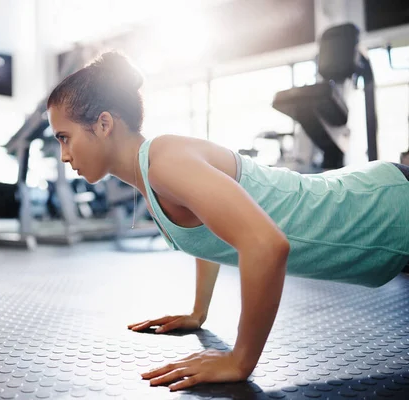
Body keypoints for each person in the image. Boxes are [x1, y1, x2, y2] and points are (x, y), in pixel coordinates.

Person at [45, 50, 409, 392]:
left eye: (65, 137)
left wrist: (240, 360)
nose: (63, 155)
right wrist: (198, 312)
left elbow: (267, 246)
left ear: (104, 123)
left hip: (388, 207)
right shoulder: (152, 169)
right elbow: (211, 228)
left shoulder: (165, 161)